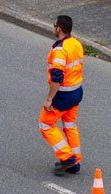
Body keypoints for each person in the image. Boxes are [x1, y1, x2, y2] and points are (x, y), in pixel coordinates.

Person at [39, 15, 85, 176]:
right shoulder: (76, 44)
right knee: (70, 126)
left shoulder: (60, 50)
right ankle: (76, 162)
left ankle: (67, 157)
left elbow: (57, 77)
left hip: (63, 95)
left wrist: (49, 99)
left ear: (59, 28)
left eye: (54, 25)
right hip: (76, 92)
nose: (53, 28)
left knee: (45, 125)